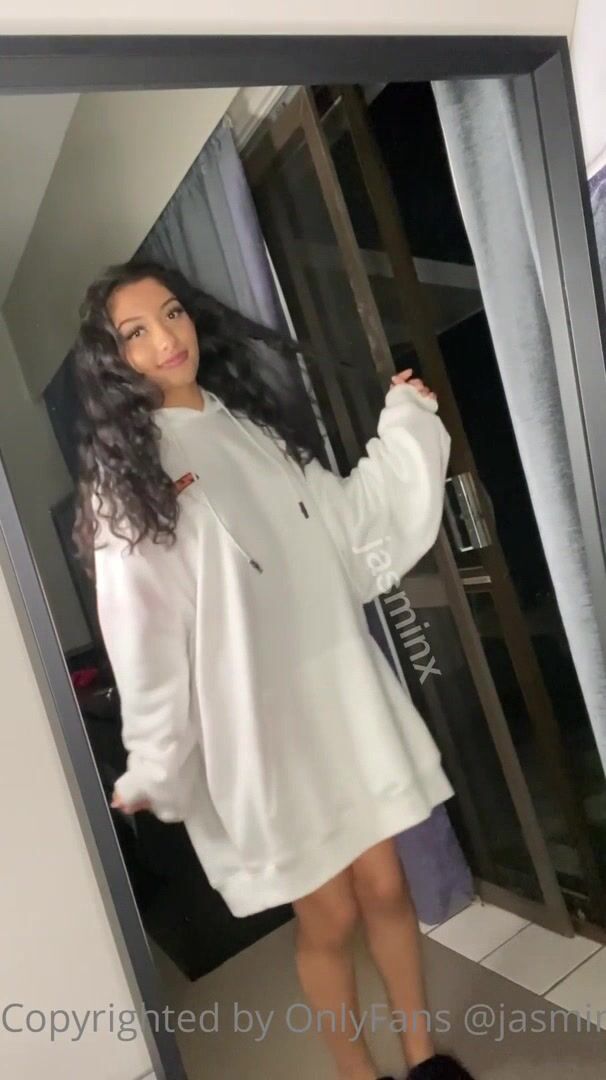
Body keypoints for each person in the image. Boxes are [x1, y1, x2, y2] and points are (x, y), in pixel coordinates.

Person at [72, 259, 475, 1080]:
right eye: (135, 333)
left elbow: (348, 528)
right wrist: (155, 756)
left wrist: (404, 422)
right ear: (113, 361)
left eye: (172, 313)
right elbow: (142, 636)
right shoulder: (125, 487)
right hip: (257, 732)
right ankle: (357, 1074)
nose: (165, 339)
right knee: (329, 918)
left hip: (339, 696)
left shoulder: (250, 431)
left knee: (387, 888)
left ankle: (422, 1058)